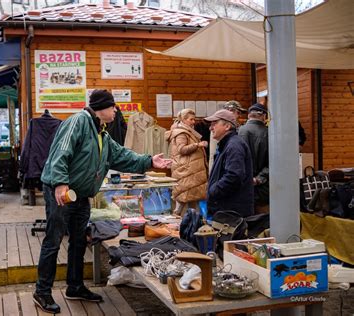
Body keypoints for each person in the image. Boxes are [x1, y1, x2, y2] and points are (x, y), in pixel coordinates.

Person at [34, 89, 172, 314]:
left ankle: (75, 286)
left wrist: (149, 161)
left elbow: (122, 156)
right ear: (101, 108)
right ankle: (42, 291)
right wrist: (60, 183)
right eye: (113, 107)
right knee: (54, 239)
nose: (116, 110)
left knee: (79, 241)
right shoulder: (78, 122)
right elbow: (61, 152)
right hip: (62, 192)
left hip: (81, 195)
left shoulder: (103, 135)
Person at [204, 109, 254, 217]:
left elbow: (234, 176)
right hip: (227, 211)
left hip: (231, 214)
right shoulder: (226, 144)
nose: (210, 128)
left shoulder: (234, 145)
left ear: (227, 126)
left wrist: (213, 191)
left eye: (214, 124)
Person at [166, 109, 208, 216]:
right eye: (191, 119)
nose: (193, 122)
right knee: (182, 200)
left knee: (191, 199)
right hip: (185, 171)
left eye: (194, 119)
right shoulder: (181, 133)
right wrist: (198, 145)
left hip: (190, 171)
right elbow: (182, 149)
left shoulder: (188, 131)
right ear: (184, 120)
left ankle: (191, 224)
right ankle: (175, 224)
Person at [238, 103, 269, 212]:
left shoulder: (238, 132)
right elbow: (273, 163)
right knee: (262, 222)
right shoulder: (268, 133)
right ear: (264, 116)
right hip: (262, 188)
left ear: (249, 116)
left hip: (240, 186)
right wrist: (257, 179)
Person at [208, 100, 247, 172]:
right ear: (230, 111)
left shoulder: (239, 127)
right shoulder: (218, 129)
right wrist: (212, 173)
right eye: (238, 112)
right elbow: (213, 154)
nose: (239, 116)